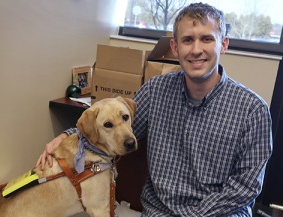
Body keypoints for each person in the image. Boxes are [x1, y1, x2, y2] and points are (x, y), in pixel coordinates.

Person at [36, 3, 272, 216]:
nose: (196, 49)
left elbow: (246, 186)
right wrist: (66, 136)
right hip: (160, 212)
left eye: (207, 39)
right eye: (187, 40)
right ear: (175, 47)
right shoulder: (156, 91)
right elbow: (114, 131)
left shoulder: (253, 110)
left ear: (224, 44)